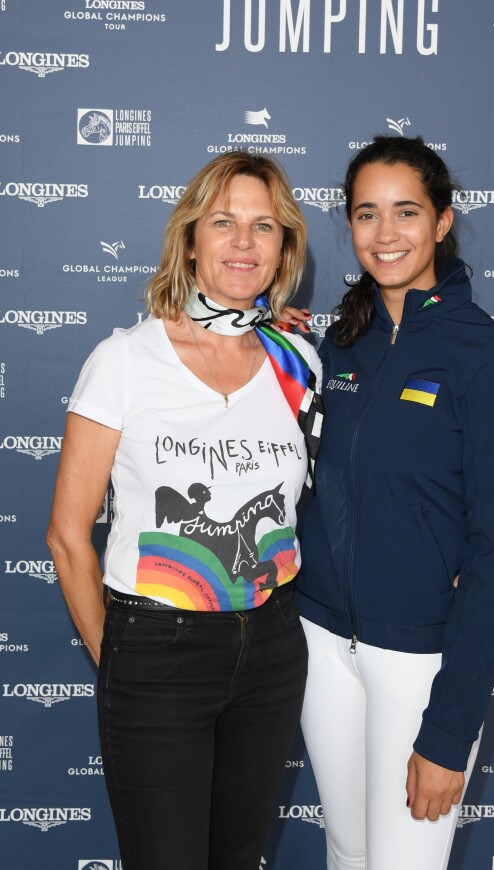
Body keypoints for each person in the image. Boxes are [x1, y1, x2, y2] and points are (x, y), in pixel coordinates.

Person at [46, 151, 322, 870]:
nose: (243, 243)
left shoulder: (298, 362)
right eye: (224, 222)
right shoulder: (126, 361)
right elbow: (68, 537)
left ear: (283, 246)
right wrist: (125, 669)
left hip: (271, 648)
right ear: (190, 237)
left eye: (264, 226)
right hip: (155, 651)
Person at [292, 136, 494, 869]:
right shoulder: (338, 344)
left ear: (441, 221)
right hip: (319, 643)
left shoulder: (488, 360)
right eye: (366, 214)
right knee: (347, 848)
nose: (385, 233)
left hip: (418, 662)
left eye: (406, 212)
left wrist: (448, 734)